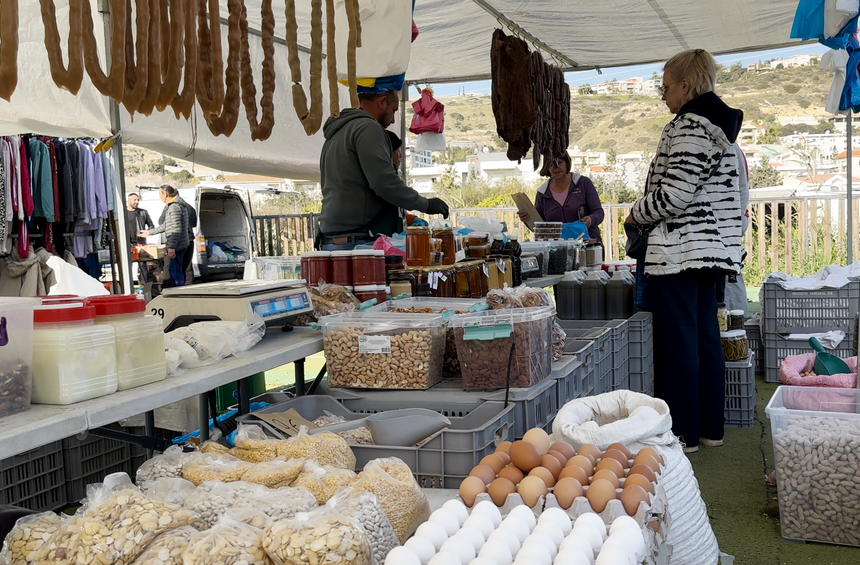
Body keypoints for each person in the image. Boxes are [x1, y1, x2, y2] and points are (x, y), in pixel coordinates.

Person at [626, 48, 744, 454]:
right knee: (705, 339)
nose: (664, 95)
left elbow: (674, 195)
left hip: (680, 250)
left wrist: (636, 213)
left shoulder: (691, 125)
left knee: (680, 344)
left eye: (666, 87)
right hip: (711, 251)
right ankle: (711, 429)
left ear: (685, 86)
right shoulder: (722, 132)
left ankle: (683, 437)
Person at [317, 90, 450, 250]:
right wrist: (425, 204)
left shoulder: (337, 131)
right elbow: (384, 183)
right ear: (382, 102)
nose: (393, 118)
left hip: (331, 239)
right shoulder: (368, 128)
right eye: (393, 110)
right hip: (358, 242)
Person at [518, 152, 604, 242]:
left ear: (567, 163)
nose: (556, 167)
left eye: (559, 162)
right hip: (555, 249)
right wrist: (527, 219)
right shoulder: (542, 193)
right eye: (551, 164)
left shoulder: (583, 183)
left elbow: (598, 212)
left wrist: (591, 219)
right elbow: (537, 226)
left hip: (588, 245)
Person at [140, 185, 190, 287]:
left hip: (177, 246)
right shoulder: (175, 206)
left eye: (160, 194)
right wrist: (150, 232)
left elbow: (176, 229)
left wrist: (172, 247)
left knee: (175, 273)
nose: (159, 197)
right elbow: (166, 225)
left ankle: (180, 295)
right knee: (174, 272)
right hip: (179, 244)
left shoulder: (174, 207)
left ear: (166, 194)